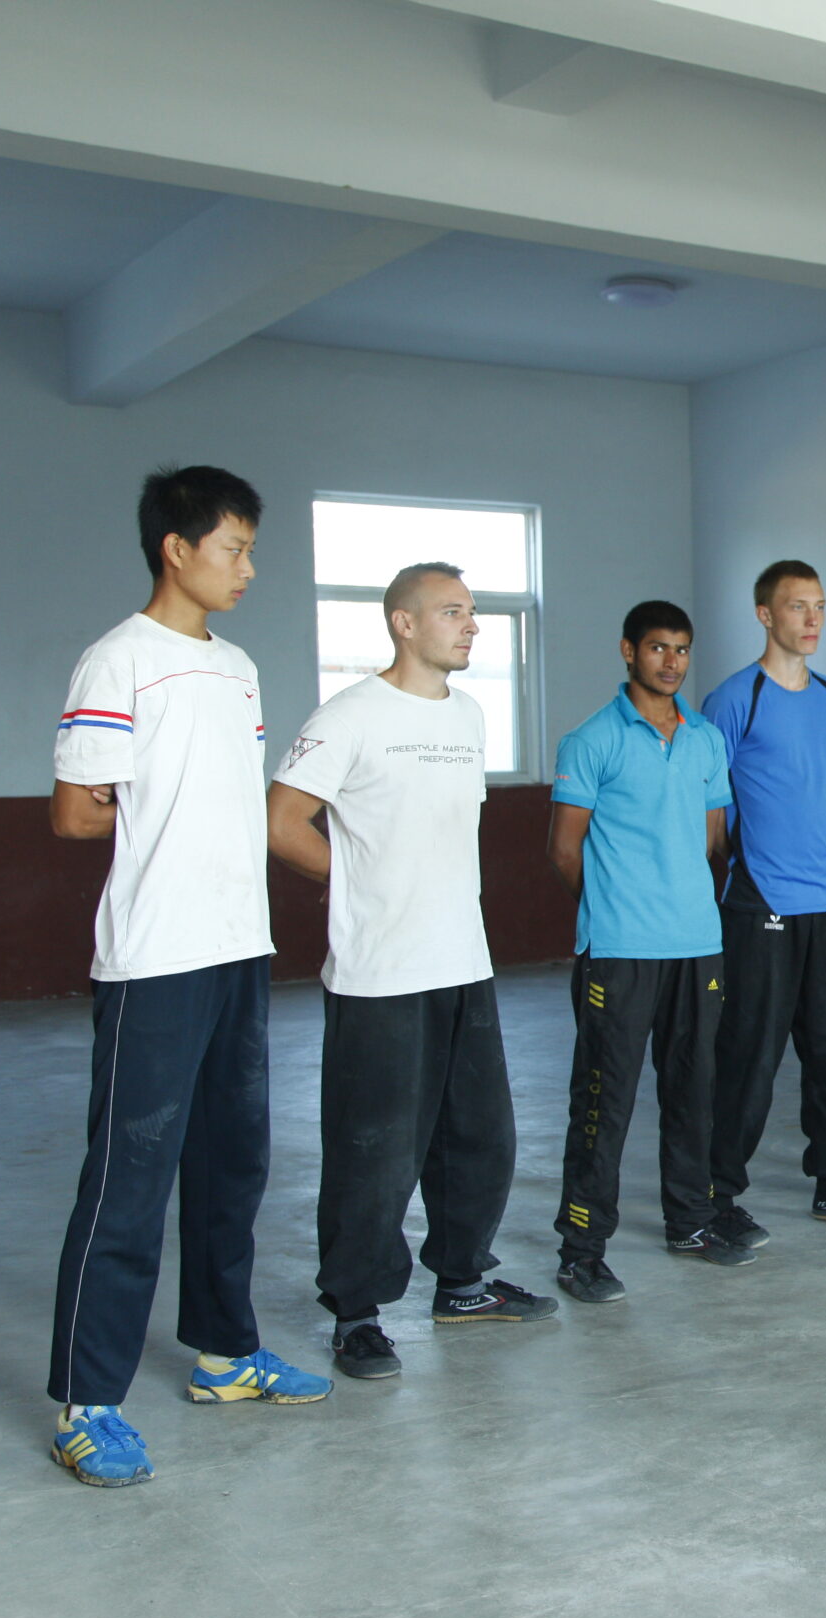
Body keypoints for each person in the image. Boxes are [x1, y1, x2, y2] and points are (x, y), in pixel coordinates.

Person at [46, 465, 330, 1489]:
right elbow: (75, 811)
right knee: (129, 1179)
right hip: (155, 956)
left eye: (252, 548)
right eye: (235, 547)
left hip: (237, 949)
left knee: (231, 1165)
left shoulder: (241, 669)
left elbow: (232, 795)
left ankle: (224, 1353)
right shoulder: (117, 662)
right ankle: (87, 1402)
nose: (249, 566)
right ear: (177, 548)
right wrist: (163, 809)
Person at [267, 563, 555, 1383]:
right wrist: (353, 879)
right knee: (375, 1151)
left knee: (481, 1137)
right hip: (378, 974)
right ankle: (357, 1313)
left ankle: (462, 1281)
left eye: (473, 612)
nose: (471, 626)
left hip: (464, 961)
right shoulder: (350, 714)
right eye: (453, 612)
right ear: (402, 622)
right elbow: (281, 821)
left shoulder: (467, 714)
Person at [547, 601, 744, 1288]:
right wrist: (616, 906)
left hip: (697, 946)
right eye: (658, 648)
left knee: (694, 1092)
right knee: (604, 1103)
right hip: (620, 951)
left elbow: (716, 840)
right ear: (628, 650)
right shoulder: (591, 739)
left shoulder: (704, 740)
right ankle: (582, 1251)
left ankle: (690, 1221)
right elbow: (564, 849)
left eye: (682, 650)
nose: (672, 662)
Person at [700, 561, 826, 1234]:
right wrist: (753, 874)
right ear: (764, 614)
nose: (811, 619)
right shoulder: (734, 698)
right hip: (760, 906)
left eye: (818, 605)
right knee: (749, 1054)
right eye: (795, 606)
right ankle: (717, 1193)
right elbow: (709, 808)